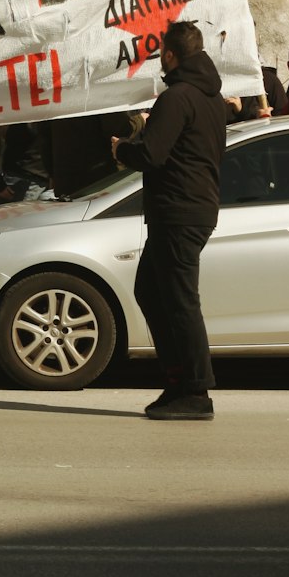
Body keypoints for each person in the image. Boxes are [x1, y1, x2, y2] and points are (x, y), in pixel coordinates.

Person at [111, 21, 227, 420]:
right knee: (151, 291)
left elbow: (153, 155)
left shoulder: (177, 97)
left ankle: (196, 391)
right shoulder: (209, 96)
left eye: (162, 52)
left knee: (180, 302)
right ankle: (177, 380)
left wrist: (123, 149)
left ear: (171, 55)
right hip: (185, 208)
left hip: (180, 210)